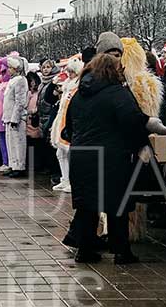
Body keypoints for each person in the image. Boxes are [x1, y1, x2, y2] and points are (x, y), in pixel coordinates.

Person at [64, 51, 153, 264]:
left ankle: (85, 251)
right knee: (116, 205)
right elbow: (132, 122)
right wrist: (142, 143)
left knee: (86, 205)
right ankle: (121, 251)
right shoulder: (117, 93)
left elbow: (69, 127)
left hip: (81, 157)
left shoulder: (79, 94)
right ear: (112, 71)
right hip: (112, 157)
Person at [50, 58, 84, 192]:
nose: (70, 74)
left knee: (69, 152)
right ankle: (65, 179)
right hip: (61, 119)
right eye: (69, 71)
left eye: (72, 72)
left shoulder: (77, 87)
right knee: (60, 153)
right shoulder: (67, 87)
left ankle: (72, 181)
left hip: (69, 121)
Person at [2, 54, 30, 178]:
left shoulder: (21, 80)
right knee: (10, 143)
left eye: (11, 68)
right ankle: (13, 164)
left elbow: (20, 101)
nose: (9, 70)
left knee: (18, 143)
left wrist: (15, 118)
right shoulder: (12, 80)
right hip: (8, 116)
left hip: (16, 118)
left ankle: (20, 166)